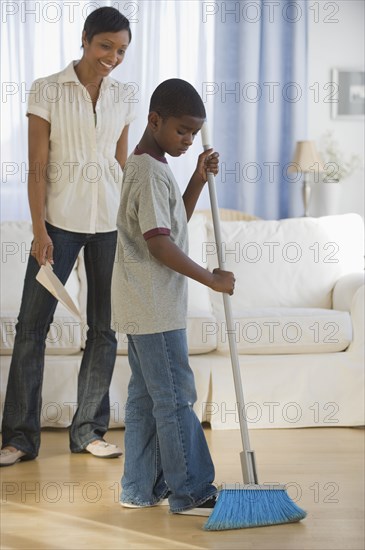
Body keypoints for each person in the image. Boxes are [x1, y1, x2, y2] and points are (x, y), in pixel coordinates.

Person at [0, 7, 135, 466]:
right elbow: (37, 165)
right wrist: (39, 231)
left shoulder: (123, 96)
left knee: (103, 330)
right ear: (85, 39)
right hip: (57, 225)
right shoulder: (47, 89)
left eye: (120, 51)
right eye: (105, 47)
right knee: (31, 329)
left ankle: (89, 432)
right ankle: (19, 438)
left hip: (109, 228)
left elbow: (120, 164)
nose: (112, 58)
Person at [111, 78, 235, 515]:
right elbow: (159, 244)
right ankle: (193, 491)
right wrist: (211, 280)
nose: (188, 140)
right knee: (177, 397)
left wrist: (197, 179)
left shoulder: (151, 165)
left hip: (144, 304)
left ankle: (139, 488)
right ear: (154, 119)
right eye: (182, 130)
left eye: (194, 134)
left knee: (146, 398)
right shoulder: (146, 171)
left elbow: (171, 223)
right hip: (154, 307)